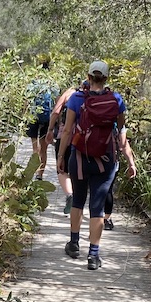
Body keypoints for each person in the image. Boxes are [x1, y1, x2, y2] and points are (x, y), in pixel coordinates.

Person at [56, 60, 137, 270]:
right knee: (97, 207)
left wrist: (61, 157)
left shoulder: (76, 98)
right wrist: (130, 160)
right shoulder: (116, 99)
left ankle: (74, 244)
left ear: (89, 76)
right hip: (106, 160)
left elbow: (67, 131)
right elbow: (121, 132)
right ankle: (93, 255)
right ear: (106, 78)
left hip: (80, 157)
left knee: (78, 200)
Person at [45, 81, 83, 214]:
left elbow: (56, 112)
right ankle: (79, 199)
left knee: (61, 169)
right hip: (84, 139)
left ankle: (70, 195)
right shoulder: (92, 95)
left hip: (64, 137)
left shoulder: (69, 94)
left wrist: (50, 129)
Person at [24, 64, 56, 180]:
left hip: (33, 117)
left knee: (35, 148)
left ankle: (34, 171)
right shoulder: (52, 85)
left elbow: (26, 102)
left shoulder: (32, 84)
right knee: (44, 148)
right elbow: (57, 104)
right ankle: (40, 174)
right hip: (48, 118)